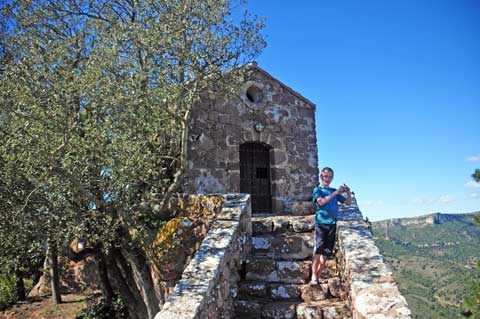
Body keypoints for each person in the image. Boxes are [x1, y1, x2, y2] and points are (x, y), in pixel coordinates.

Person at [310, 167, 352, 284]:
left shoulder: (334, 191)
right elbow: (321, 202)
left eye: (330, 177)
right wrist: (336, 193)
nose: (327, 179)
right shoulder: (317, 190)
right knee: (318, 251)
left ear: (332, 178)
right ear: (321, 177)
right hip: (321, 223)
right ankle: (313, 276)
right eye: (325, 176)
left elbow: (348, 203)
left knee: (326, 254)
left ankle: (317, 276)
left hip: (332, 224)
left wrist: (347, 192)